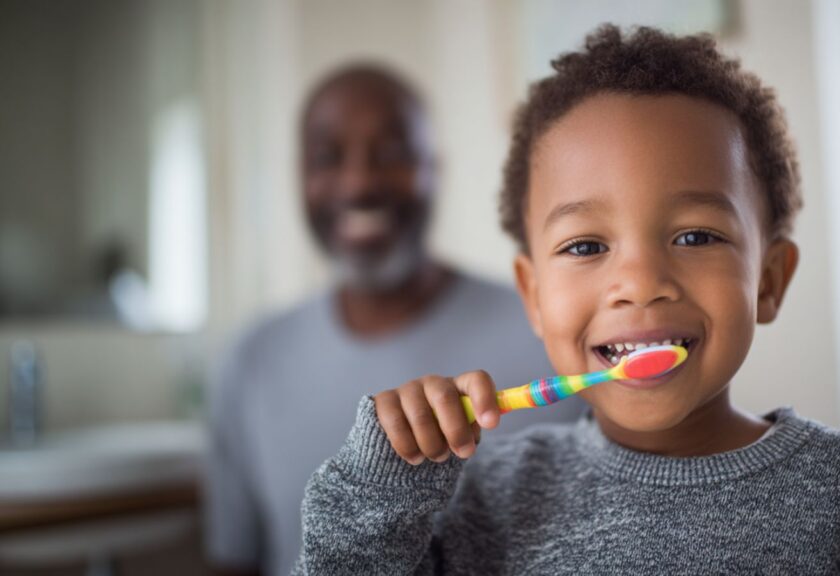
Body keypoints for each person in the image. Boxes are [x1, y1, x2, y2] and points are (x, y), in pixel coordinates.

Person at [291, 26, 840, 575]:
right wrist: (379, 490)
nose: (641, 282)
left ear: (768, 281)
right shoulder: (487, 497)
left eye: (696, 236)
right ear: (534, 297)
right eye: (586, 245)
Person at [203, 64, 583, 576]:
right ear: (299, 177)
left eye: (389, 153)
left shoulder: (552, 334)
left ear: (434, 169)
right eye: (328, 157)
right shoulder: (249, 363)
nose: (360, 182)